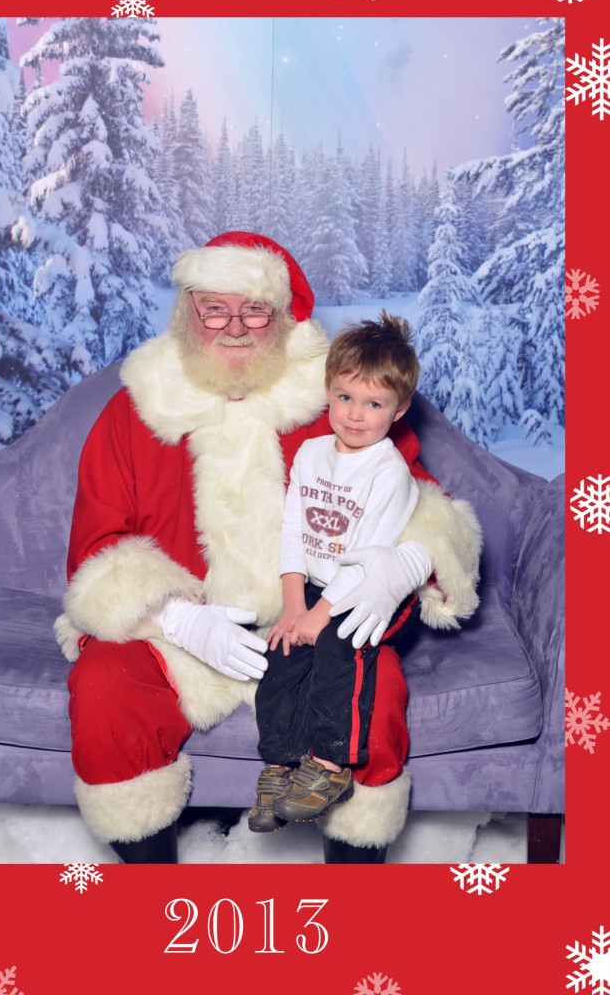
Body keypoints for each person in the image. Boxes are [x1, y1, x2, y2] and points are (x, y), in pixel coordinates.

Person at [54, 231, 482, 864]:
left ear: (283, 317)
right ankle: (152, 892)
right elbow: (98, 543)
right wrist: (177, 617)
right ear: (187, 312)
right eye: (215, 308)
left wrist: (409, 562)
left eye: (254, 309)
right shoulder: (134, 408)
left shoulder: (334, 399)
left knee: (378, 693)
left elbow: (419, 499)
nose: (235, 327)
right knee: (104, 687)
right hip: (177, 634)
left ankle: (352, 903)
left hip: (312, 624)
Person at [250, 314, 423, 833]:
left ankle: (329, 766)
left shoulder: (389, 472)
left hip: (372, 591)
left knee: (334, 649)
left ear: (400, 409)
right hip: (315, 586)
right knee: (281, 651)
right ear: (328, 390)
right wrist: (294, 607)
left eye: (375, 404)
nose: (355, 415)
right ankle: (280, 765)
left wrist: (322, 616)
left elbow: (369, 560)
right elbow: (293, 534)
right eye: (346, 397)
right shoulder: (309, 454)